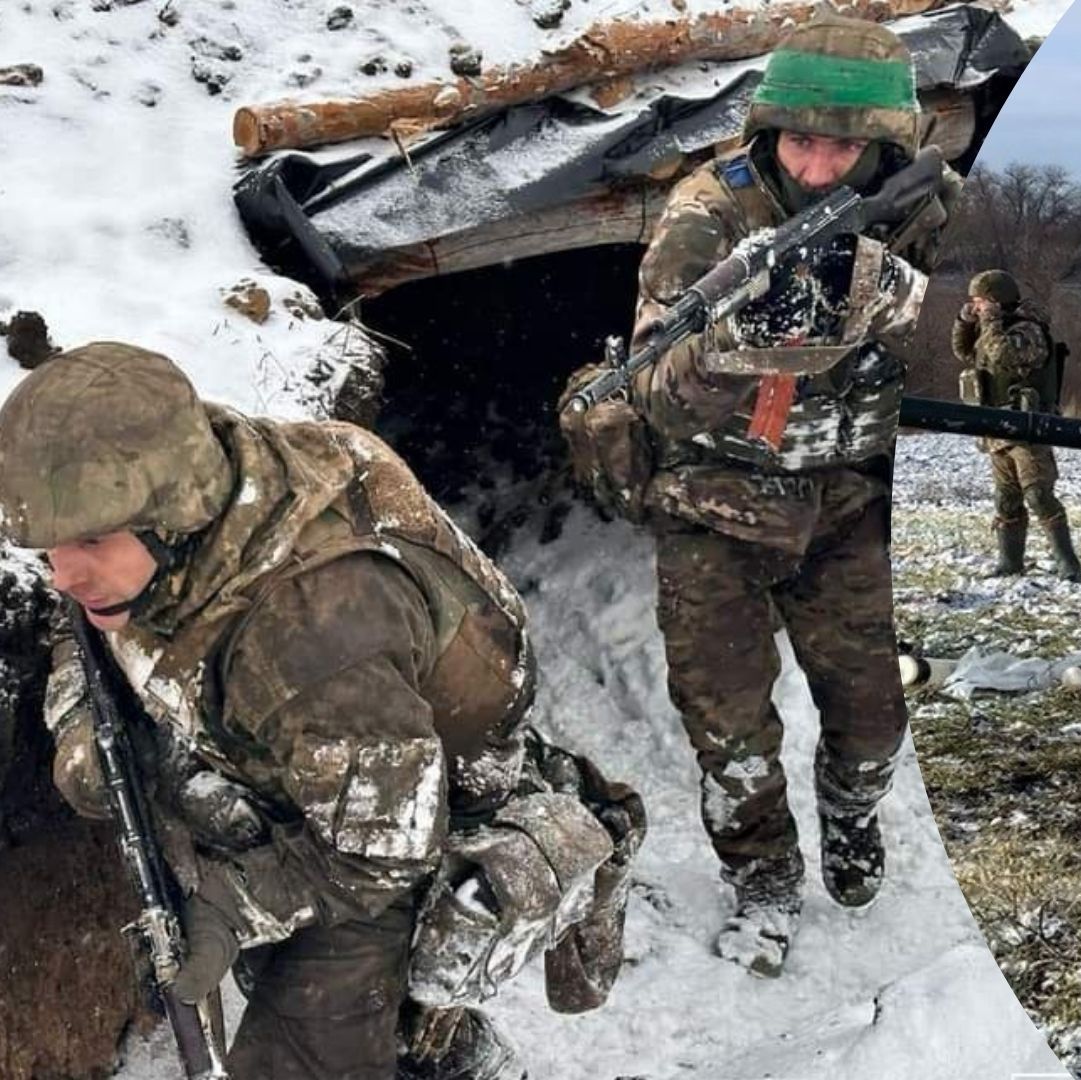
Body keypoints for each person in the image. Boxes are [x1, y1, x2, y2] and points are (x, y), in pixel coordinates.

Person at [0, 343, 645, 1080]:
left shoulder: (313, 630)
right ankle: (446, 1054)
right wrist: (82, 723)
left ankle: (437, 1042)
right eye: (50, 547)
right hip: (322, 762)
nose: (63, 573)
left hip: (409, 818)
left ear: (173, 516)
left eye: (90, 541)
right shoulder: (199, 483)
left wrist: (232, 904)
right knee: (260, 928)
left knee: (300, 1049)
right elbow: (80, 630)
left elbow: (383, 851)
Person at [614, 14, 960, 977]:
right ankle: (762, 878)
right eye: (800, 142)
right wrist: (734, 345)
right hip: (714, 504)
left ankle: (852, 814)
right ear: (768, 132)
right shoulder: (707, 216)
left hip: (847, 499)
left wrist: (888, 299)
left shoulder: (928, 209)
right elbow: (651, 391)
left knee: (875, 719)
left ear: (885, 148)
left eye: (842, 149)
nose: (815, 168)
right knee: (729, 730)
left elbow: (971, 342)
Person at [951, 268, 1081, 580]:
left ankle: (1068, 562)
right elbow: (964, 352)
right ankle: (1010, 563)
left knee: (1038, 494)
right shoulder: (991, 330)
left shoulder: (1029, 330)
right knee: (1006, 499)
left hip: (1027, 428)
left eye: (981, 302)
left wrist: (991, 321)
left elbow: (1002, 355)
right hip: (997, 428)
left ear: (997, 301)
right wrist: (964, 322)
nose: (977, 307)